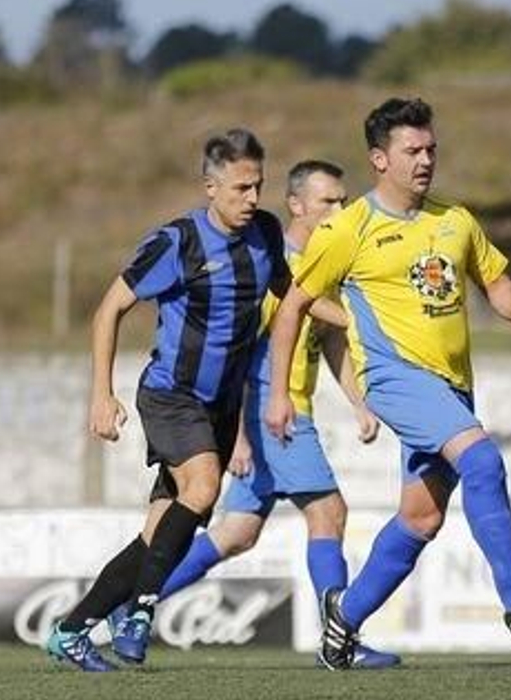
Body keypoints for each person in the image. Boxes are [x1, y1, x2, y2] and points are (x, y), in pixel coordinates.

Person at [263, 97, 511, 670]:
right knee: (483, 462)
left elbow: (494, 278)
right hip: (394, 378)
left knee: (421, 519)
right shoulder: (349, 229)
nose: (425, 160)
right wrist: (279, 393)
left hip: (451, 387)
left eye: (431, 149)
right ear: (380, 159)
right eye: (412, 151)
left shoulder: (455, 219)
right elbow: (293, 305)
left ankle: (342, 623)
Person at [124, 159, 400, 668]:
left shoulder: (323, 265)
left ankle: (133, 606)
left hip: (278, 415)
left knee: (235, 535)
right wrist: (241, 435)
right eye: (328, 202)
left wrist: (360, 402)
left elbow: (332, 338)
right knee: (329, 512)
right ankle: (340, 640)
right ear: (296, 205)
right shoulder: (275, 266)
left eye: (343, 201)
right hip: (276, 414)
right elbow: (240, 353)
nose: (340, 210)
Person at [46, 127, 290, 671]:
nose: (252, 199)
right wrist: (100, 394)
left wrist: (355, 319)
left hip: (222, 407)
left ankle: (70, 630)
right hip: (171, 396)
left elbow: (292, 299)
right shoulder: (176, 242)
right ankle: (139, 613)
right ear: (210, 186)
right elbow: (107, 310)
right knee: (202, 488)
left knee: (162, 536)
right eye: (240, 189)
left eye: (259, 187)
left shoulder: (266, 234)